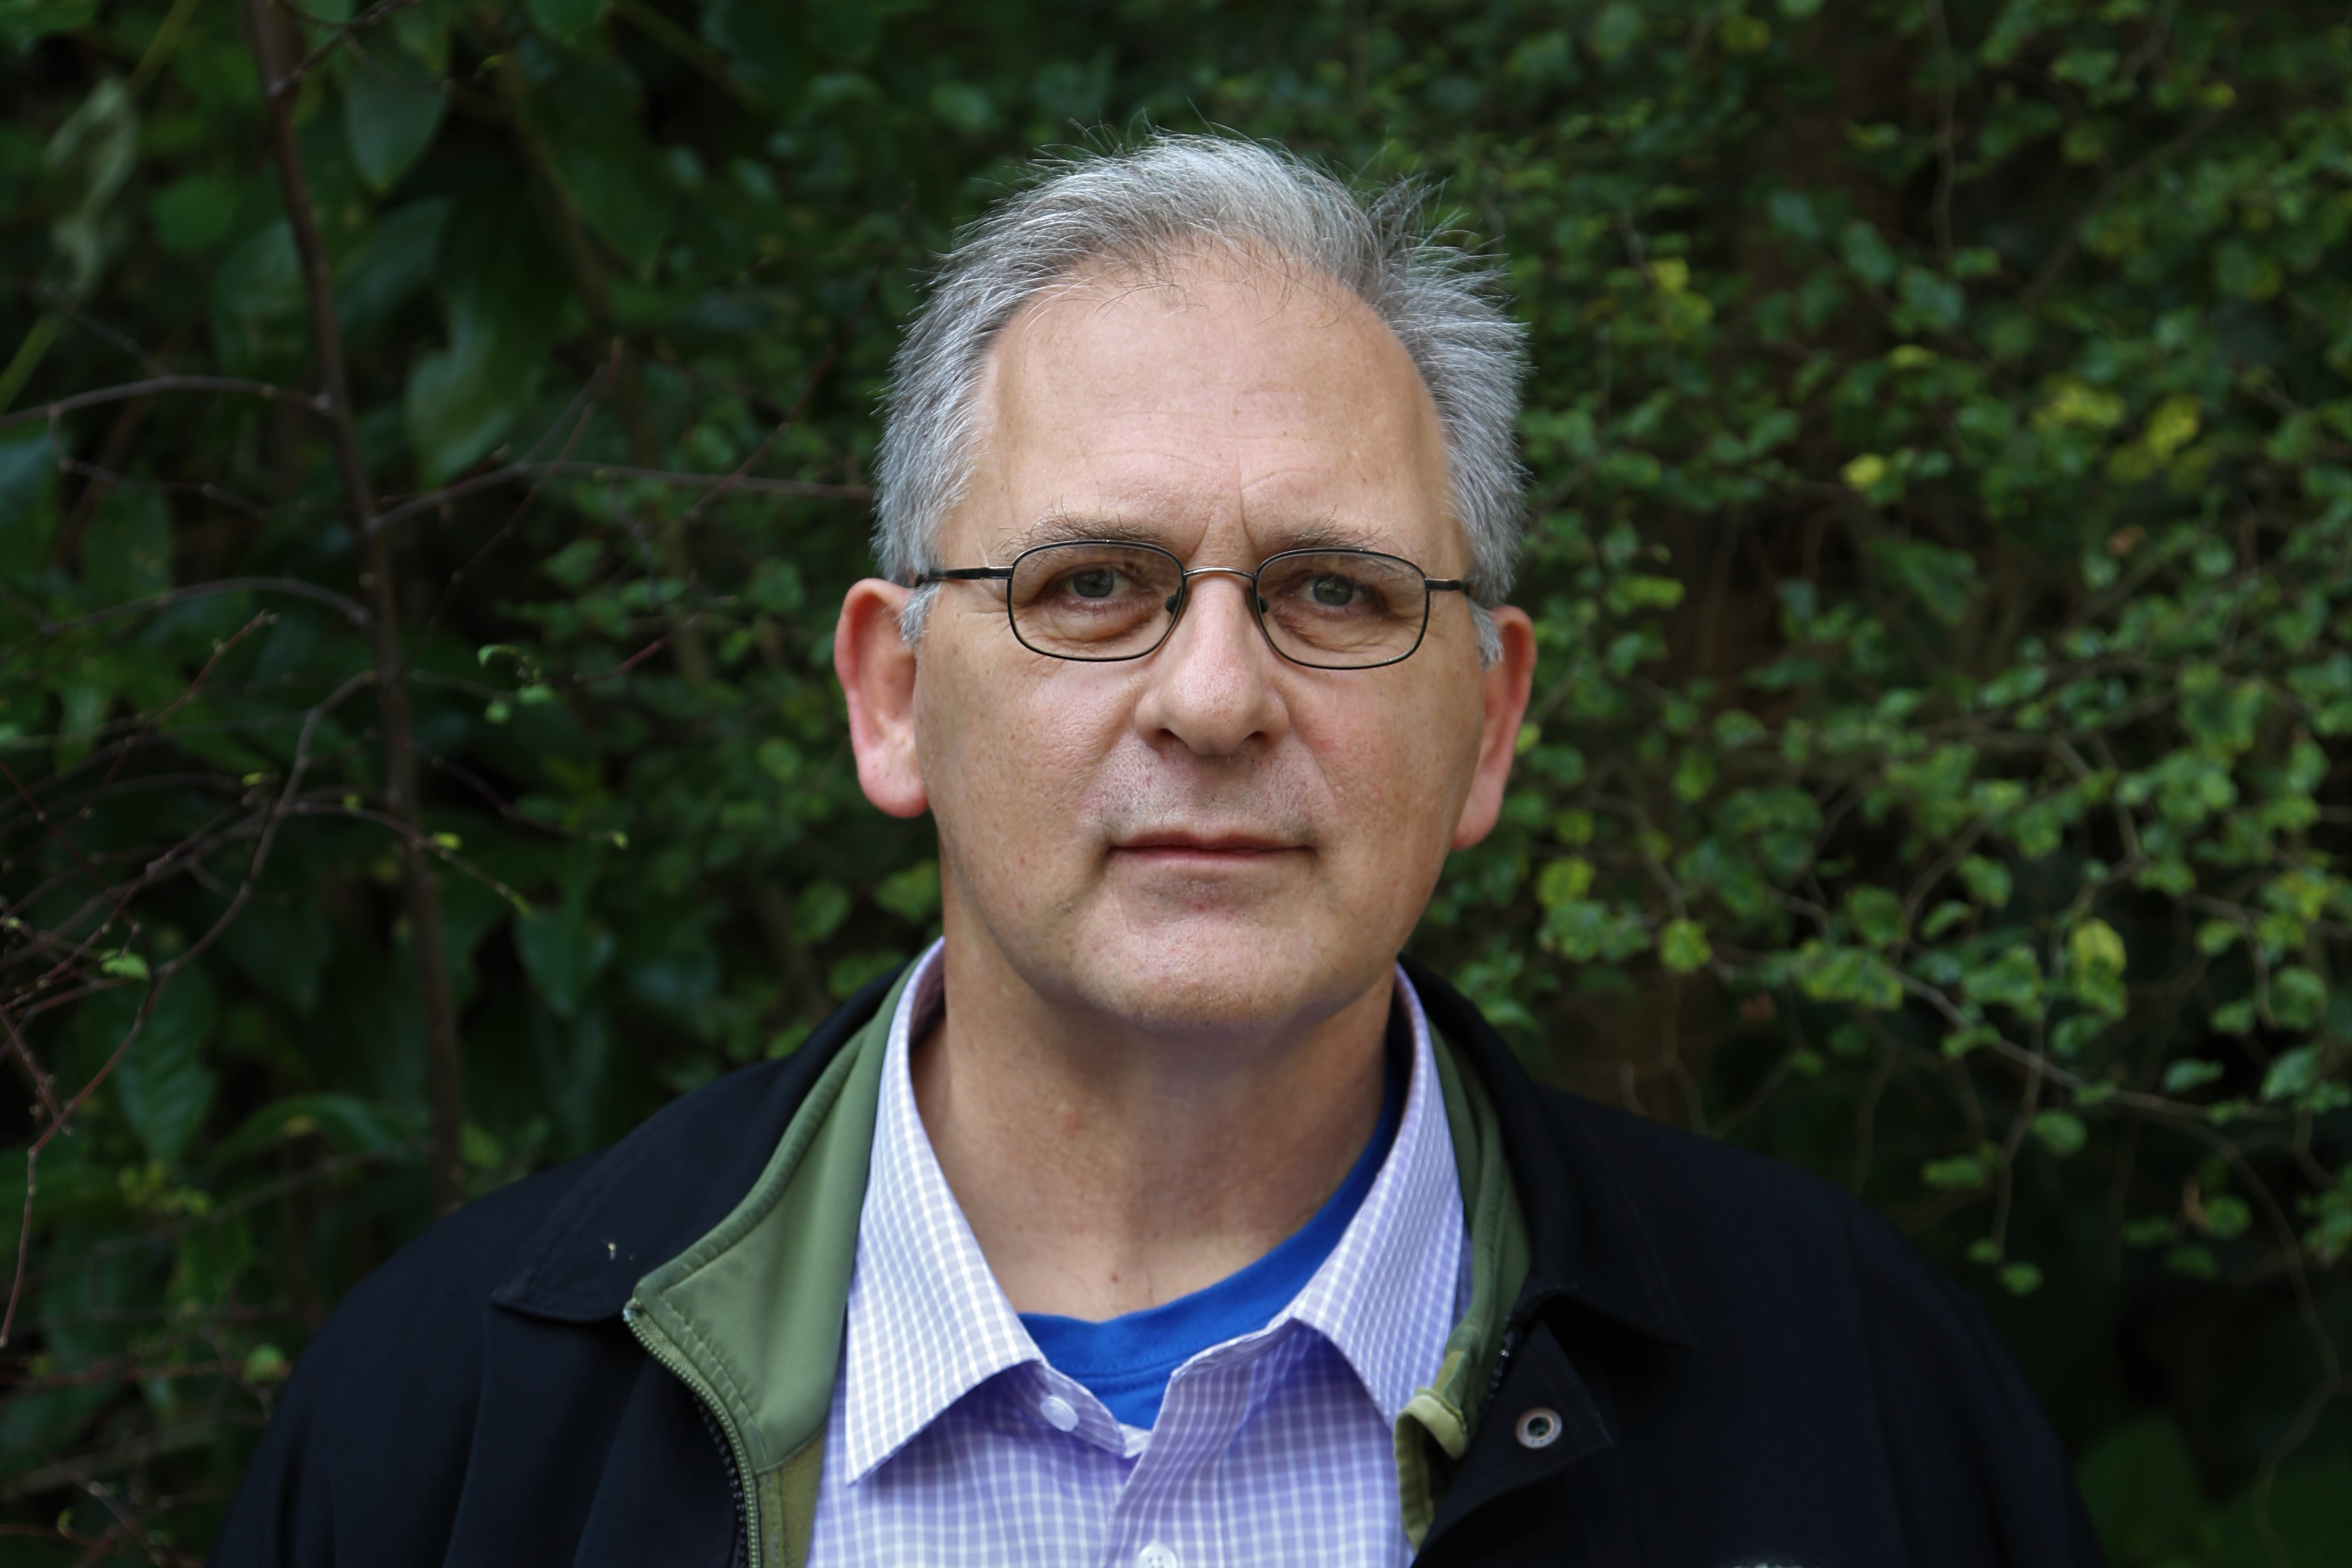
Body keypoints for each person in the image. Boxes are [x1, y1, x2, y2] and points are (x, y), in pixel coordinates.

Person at [215, 135, 2102, 1568]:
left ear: (1490, 725)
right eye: (1093, 586)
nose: (1214, 696)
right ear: (893, 697)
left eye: (1335, 591)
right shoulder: (451, 1431)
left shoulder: (1860, 1406)